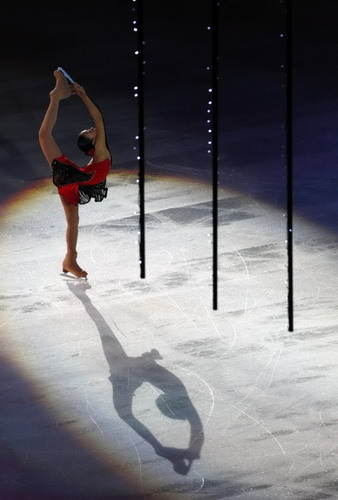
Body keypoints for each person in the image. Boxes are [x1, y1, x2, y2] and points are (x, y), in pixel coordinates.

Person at [38, 69, 111, 278]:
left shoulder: (100, 152)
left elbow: (97, 122)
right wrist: (83, 95)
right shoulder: (101, 151)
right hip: (73, 178)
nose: (92, 128)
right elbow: (98, 118)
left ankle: (70, 259)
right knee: (44, 136)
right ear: (92, 143)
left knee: (73, 222)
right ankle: (55, 98)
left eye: (89, 129)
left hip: (76, 182)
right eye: (89, 131)